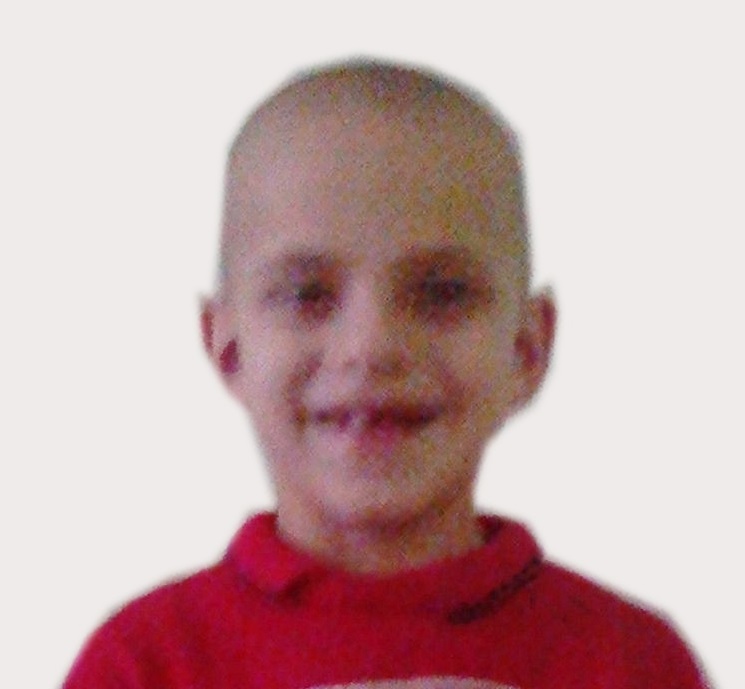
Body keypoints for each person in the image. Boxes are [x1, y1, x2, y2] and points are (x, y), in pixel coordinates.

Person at [62, 59, 710, 688]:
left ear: (526, 349)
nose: (372, 346)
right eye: (307, 294)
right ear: (228, 348)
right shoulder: (141, 666)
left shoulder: (634, 664)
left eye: (442, 292)